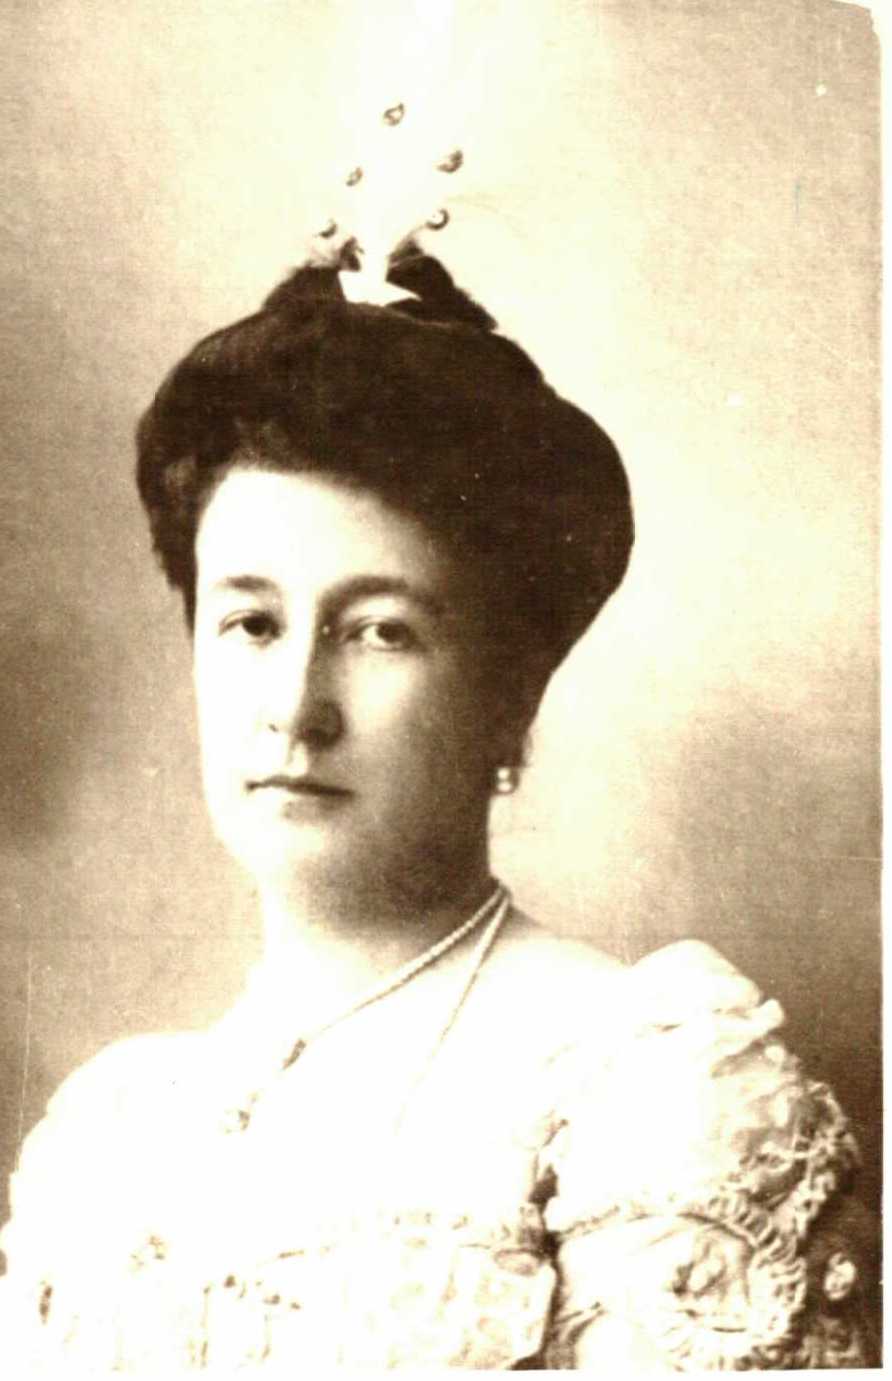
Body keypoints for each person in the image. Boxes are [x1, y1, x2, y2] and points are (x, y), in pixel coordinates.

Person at [0, 214, 875, 1371]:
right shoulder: (105, 1136)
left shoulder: (647, 1088)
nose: (296, 705)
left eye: (380, 630)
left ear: (511, 696)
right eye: (251, 623)